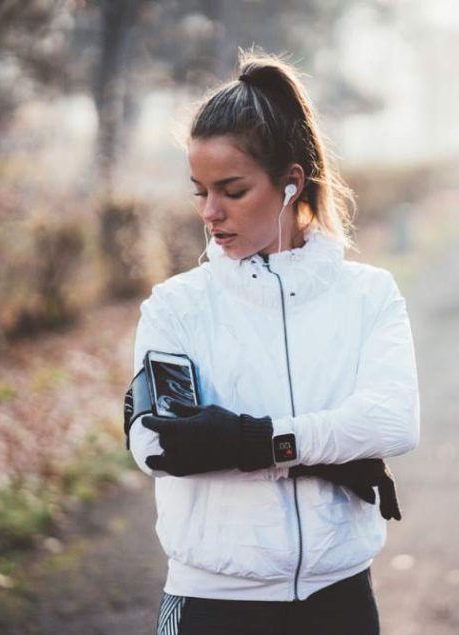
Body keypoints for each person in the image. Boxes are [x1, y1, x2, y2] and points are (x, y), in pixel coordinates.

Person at [125, 51, 420, 635]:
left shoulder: (368, 295)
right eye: (199, 192)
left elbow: (391, 422)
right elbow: (159, 445)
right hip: (211, 603)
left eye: (232, 190)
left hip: (339, 600)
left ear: (291, 183)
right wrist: (327, 450)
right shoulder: (176, 307)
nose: (210, 213)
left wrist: (252, 441)